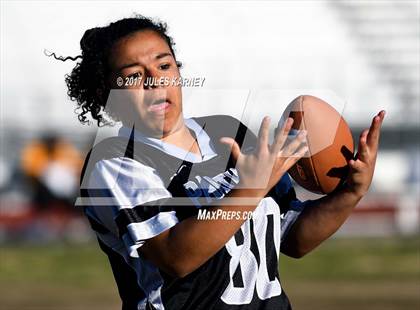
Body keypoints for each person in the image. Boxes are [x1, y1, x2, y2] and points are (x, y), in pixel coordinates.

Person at [55, 15, 385, 310]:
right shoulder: (112, 162)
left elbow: (293, 238)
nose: (155, 80)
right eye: (133, 76)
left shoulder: (227, 132)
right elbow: (176, 257)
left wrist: (350, 194)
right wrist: (250, 188)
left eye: (164, 65)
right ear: (106, 93)